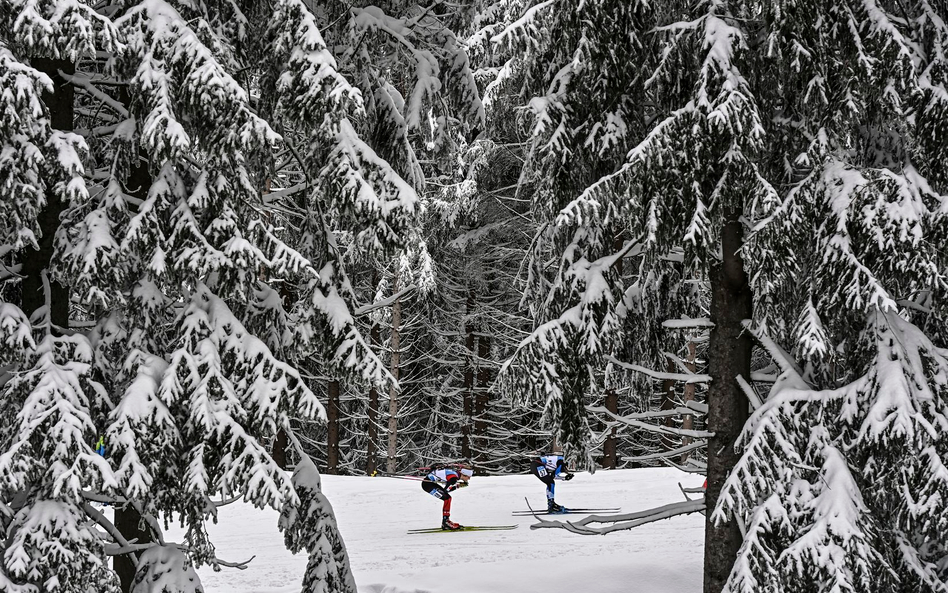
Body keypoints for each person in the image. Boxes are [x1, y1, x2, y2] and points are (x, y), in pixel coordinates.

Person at [421, 464, 474, 530]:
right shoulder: (453, 478)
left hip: (430, 483)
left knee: (447, 498)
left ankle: (446, 522)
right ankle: (446, 522)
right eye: (468, 476)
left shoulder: (455, 474)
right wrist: (457, 486)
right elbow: (446, 490)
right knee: (447, 498)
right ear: (464, 474)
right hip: (427, 485)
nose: (469, 478)